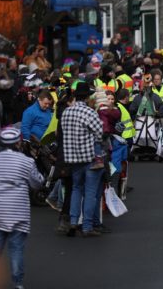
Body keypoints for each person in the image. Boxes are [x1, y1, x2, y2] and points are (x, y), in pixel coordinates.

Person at [0, 128, 43, 289]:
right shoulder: (26, 161)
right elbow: (37, 183)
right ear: (18, 143)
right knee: (16, 249)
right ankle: (17, 283)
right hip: (18, 212)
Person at [60, 82, 103, 237]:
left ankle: (73, 222)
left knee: (76, 189)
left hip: (73, 158)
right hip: (89, 157)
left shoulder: (66, 112)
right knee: (90, 192)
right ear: (87, 97)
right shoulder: (89, 113)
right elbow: (100, 133)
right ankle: (87, 226)